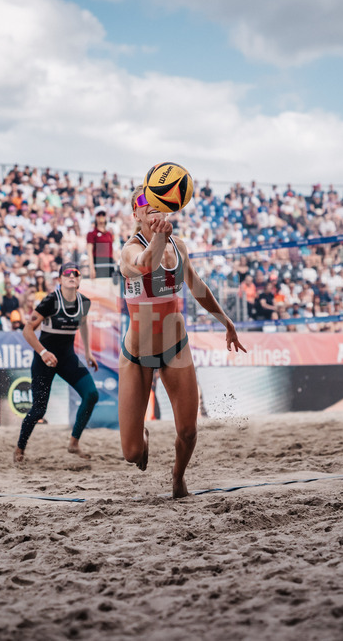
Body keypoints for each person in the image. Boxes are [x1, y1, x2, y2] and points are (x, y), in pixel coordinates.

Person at [118, 184, 245, 498]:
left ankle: (178, 477)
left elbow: (198, 288)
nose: (150, 206)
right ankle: (142, 438)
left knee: (188, 432)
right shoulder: (130, 250)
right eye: (143, 203)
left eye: (156, 202)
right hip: (137, 355)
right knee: (132, 454)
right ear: (136, 213)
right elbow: (146, 264)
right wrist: (159, 236)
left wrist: (226, 321)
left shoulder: (180, 246)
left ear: (165, 208)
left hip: (176, 350)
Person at [14, 261, 99, 463]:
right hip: (45, 359)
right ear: (60, 279)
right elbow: (27, 330)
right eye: (67, 273)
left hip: (67, 357)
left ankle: (73, 443)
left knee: (92, 395)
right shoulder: (50, 301)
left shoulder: (84, 302)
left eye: (76, 273)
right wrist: (43, 352)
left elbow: (84, 323)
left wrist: (88, 352)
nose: (72, 276)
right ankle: (19, 448)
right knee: (38, 410)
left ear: (79, 280)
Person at [86, 208, 116, 280]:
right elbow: (89, 251)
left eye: (103, 215)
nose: (101, 217)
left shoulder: (109, 234)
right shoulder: (92, 234)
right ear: (96, 217)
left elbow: (112, 250)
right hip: (98, 262)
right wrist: (92, 268)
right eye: (99, 215)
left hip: (109, 262)